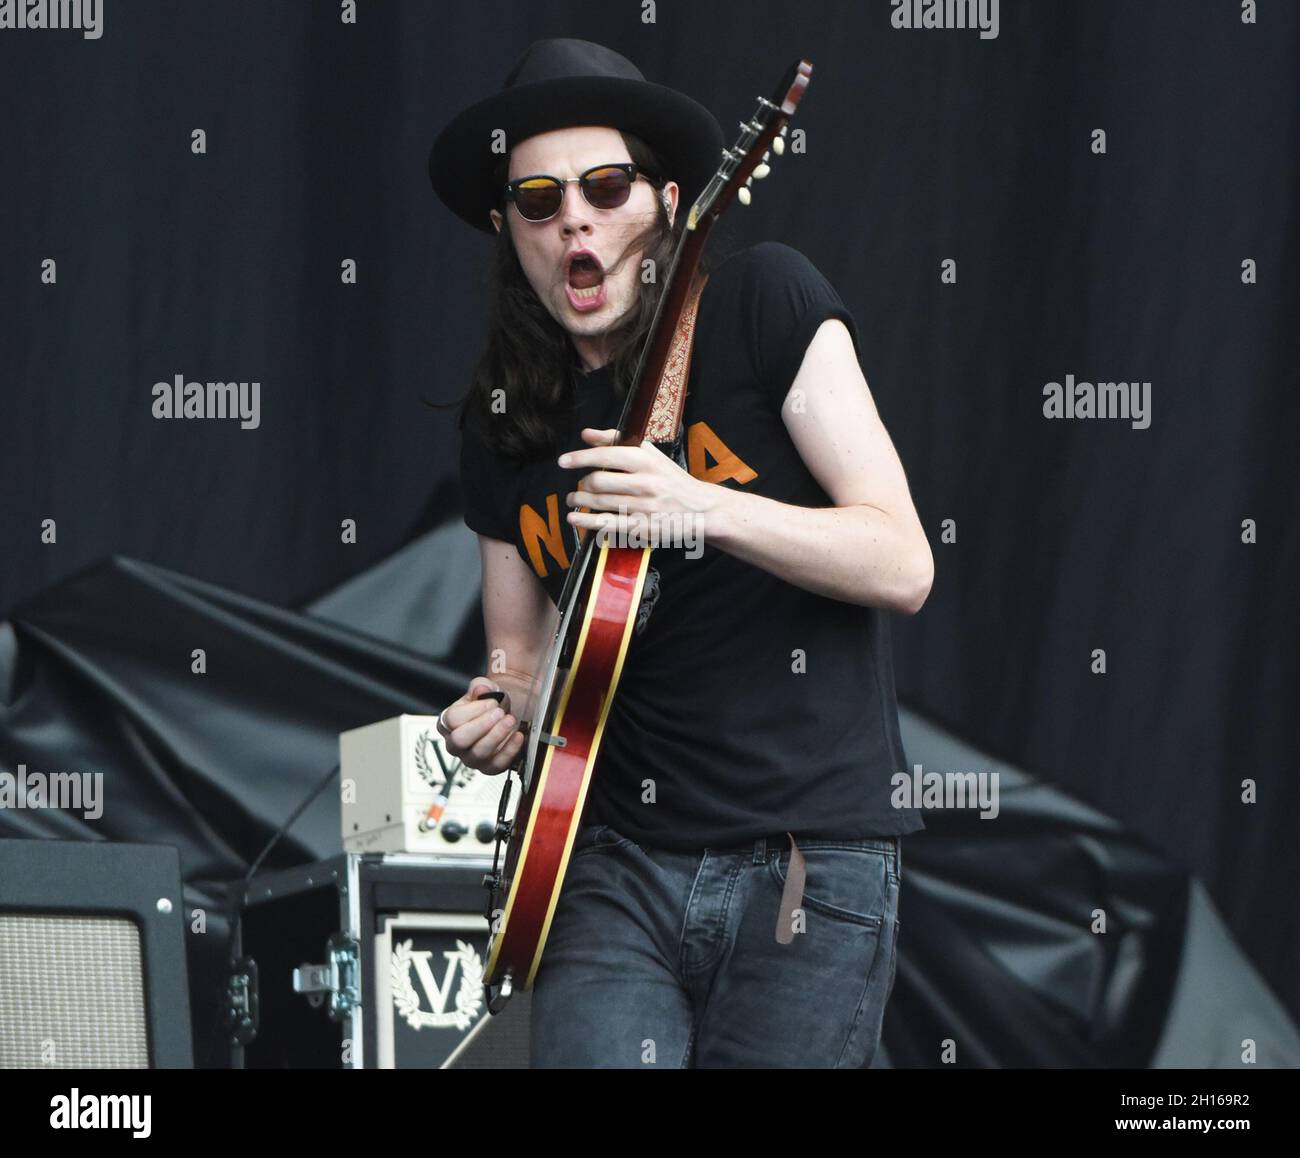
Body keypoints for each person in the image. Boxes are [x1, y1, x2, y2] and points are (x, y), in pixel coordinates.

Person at [428, 38, 933, 1068]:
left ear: (664, 202)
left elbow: (900, 560)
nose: (573, 216)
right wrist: (498, 706)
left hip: (803, 861)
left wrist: (699, 507)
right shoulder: (503, 422)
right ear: (507, 230)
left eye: (604, 187)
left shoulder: (762, 305)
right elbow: (517, 659)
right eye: (537, 198)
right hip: (609, 868)